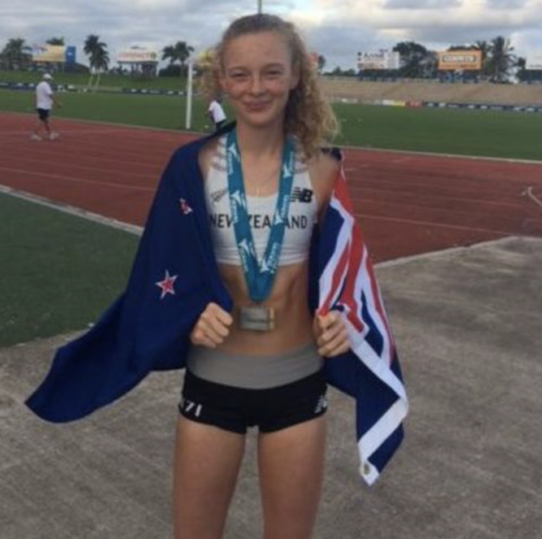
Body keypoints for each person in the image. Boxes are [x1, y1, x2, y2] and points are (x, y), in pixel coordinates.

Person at [26, 13, 408, 539]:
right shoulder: (193, 166)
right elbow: (157, 277)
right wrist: (184, 315)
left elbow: (343, 276)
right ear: (222, 81)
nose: (256, 88)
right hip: (214, 381)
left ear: (297, 76)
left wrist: (343, 319)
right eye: (241, 74)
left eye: (272, 72)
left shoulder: (324, 169)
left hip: (298, 383)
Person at [31, 73, 61, 141]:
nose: (50, 81)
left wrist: (35, 105)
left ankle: (50, 134)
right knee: (42, 121)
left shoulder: (39, 85)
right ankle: (34, 134)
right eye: (50, 80)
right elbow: (50, 95)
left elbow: (35, 96)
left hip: (41, 106)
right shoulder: (45, 85)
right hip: (44, 106)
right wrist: (57, 103)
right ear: (47, 79)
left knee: (46, 120)